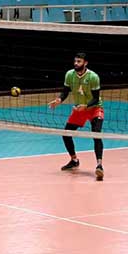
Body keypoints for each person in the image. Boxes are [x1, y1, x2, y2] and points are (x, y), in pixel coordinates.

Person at [48, 52, 105, 181]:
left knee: (96, 134)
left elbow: (96, 99)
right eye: (75, 61)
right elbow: (65, 92)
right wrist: (59, 100)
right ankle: (74, 160)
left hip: (94, 108)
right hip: (80, 109)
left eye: (79, 62)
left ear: (85, 63)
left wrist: (86, 106)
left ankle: (99, 166)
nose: (76, 64)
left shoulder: (93, 77)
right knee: (66, 134)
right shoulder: (69, 75)